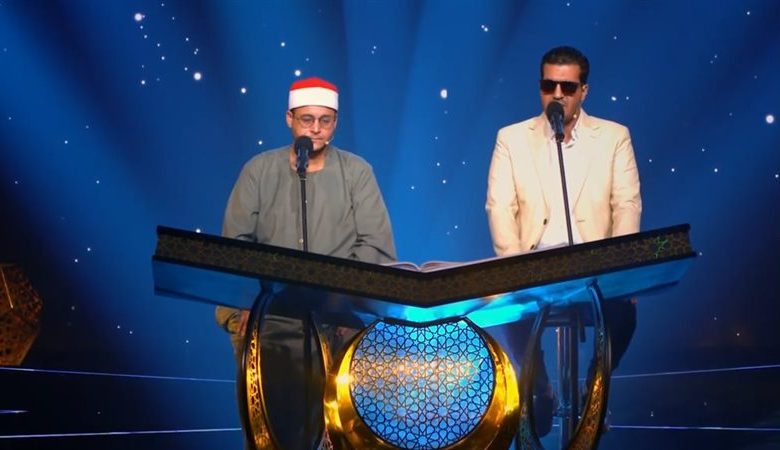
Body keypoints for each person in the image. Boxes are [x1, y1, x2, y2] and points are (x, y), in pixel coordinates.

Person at [215, 76, 397, 449]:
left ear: (335, 123)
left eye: (324, 120)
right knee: (275, 432)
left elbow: (375, 247)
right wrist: (246, 306)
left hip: (339, 320)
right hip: (271, 321)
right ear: (289, 119)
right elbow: (235, 246)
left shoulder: (356, 172)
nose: (315, 129)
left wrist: (345, 302)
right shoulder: (258, 171)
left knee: (341, 433)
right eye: (306, 119)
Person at [485, 46, 642, 436]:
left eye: (567, 87)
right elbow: (499, 207)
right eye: (548, 85)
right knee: (508, 309)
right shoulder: (511, 138)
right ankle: (539, 387)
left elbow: (626, 204)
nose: (557, 94)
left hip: (595, 267)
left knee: (625, 312)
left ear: (583, 90)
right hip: (532, 265)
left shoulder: (614, 137)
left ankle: (594, 386)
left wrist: (620, 270)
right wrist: (515, 267)